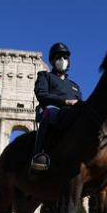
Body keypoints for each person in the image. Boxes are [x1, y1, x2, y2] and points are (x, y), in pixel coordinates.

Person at [31, 42, 83, 171]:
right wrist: (66, 101)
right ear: (53, 61)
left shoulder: (74, 86)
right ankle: (39, 154)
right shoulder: (45, 76)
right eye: (58, 57)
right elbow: (41, 94)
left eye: (65, 57)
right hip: (54, 109)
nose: (62, 60)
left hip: (73, 113)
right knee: (50, 112)